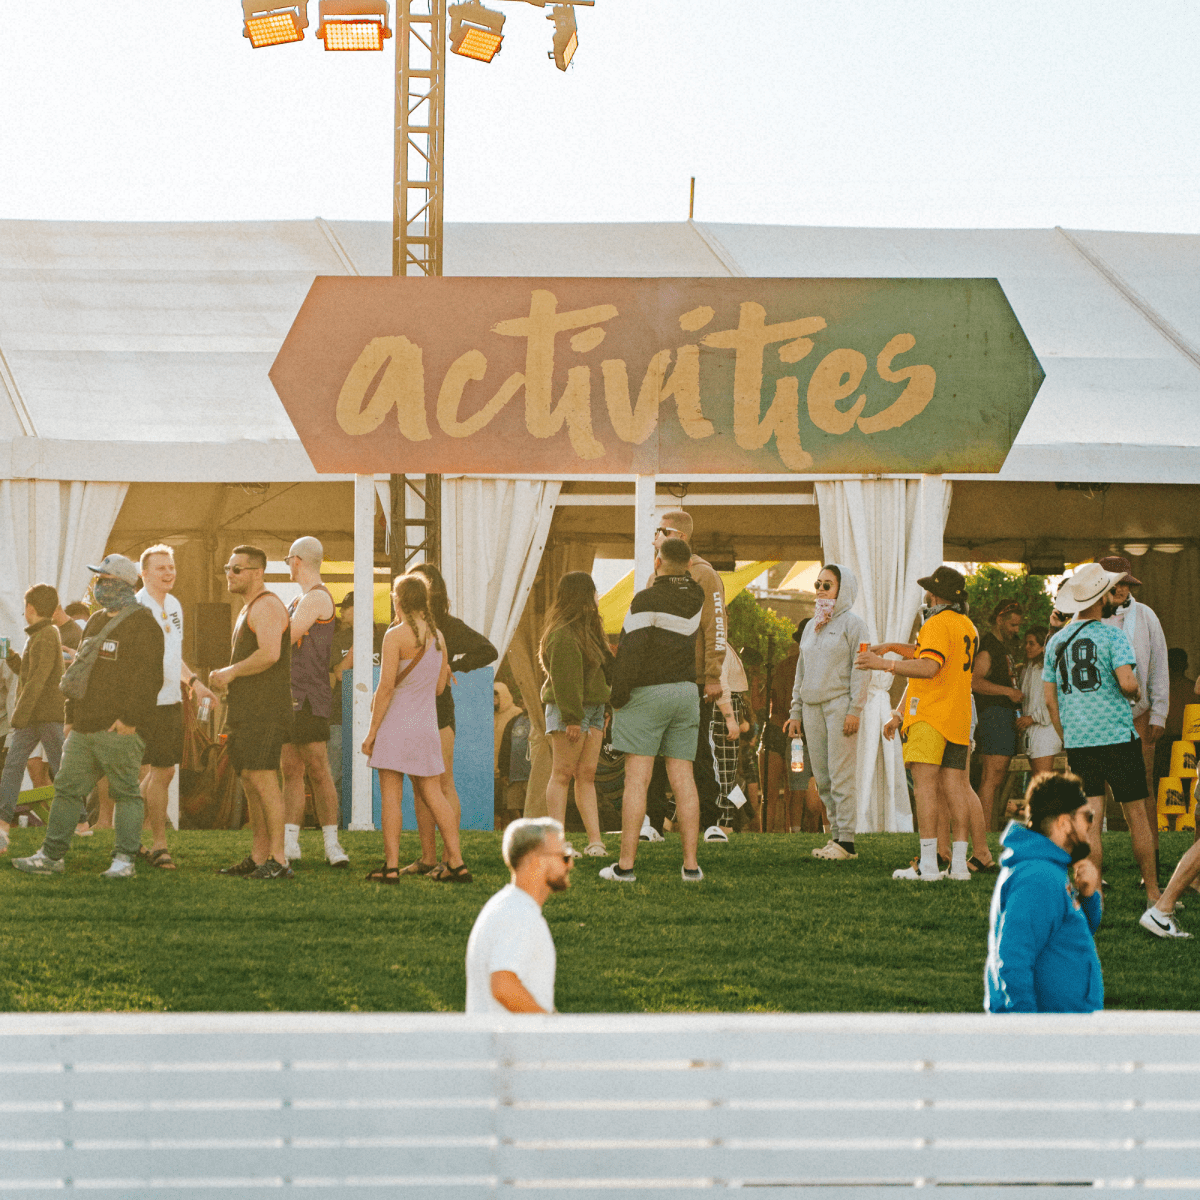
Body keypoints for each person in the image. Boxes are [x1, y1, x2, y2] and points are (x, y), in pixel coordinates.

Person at [14, 556, 163, 879]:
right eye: (98, 579)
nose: (98, 585)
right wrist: (70, 717)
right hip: (84, 727)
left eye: (105, 578)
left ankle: (124, 860)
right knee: (67, 790)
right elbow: (78, 672)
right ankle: (51, 856)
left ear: (124, 583)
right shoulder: (94, 622)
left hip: (119, 728)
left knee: (125, 793)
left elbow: (149, 679)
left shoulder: (144, 625)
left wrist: (130, 720)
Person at [1042, 562, 1160, 912]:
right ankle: (1153, 893)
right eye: (1109, 592)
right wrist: (1136, 692)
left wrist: (1068, 734)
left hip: (1081, 741)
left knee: (1091, 819)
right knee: (1136, 815)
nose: (1113, 596)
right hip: (1118, 738)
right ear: (1100, 597)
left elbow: (1050, 700)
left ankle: (1094, 897)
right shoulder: (1113, 636)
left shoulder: (1056, 641)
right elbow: (1127, 683)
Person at [858, 565, 978, 882]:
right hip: (958, 715)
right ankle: (960, 865)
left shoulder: (937, 623)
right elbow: (933, 654)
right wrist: (893, 646)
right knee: (956, 790)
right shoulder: (966, 625)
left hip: (930, 715)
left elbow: (928, 666)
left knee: (924, 790)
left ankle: (928, 864)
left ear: (935, 594)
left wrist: (883, 663)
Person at [601, 537, 705, 883]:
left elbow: (631, 651)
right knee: (683, 780)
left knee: (637, 780)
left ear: (657, 563)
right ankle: (691, 867)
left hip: (647, 695)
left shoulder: (647, 599)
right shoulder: (696, 596)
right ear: (689, 565)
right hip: (686, 692)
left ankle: (626, 867)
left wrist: (617, 696)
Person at [362, 573, 470, 883]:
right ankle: (457, 863)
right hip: (426, 725)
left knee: (391, 797)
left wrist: (371, 733)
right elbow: (439, 689)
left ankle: (391, 867)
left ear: (398, 600)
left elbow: (384, 690)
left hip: (396, 725)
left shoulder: (394, 636)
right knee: (435, 794)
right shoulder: (438, 638)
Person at [984, 772, 1103, 1013]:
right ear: (1063, 822)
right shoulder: (1038, 877)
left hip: (1059, 1032)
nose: (1092, 823)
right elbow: (1012, 960)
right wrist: (1030, 1034)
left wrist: (1088, 899)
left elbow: (1066, 938)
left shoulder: (1049, 871)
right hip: (1045, 1037)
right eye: (1087, 816)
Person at [210, 545, 294, 880]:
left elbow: (271, 654)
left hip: (265, 711)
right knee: (249, 779)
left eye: (237, 569)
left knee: (263, 779)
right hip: (246, 710)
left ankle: (279, 858)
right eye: (228, 569)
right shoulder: (248, 609)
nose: (229, 575)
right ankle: (259, 856)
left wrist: (230, 672)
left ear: (257, 572)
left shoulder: (268, 606)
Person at [409, 562, 498, 876]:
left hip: (439, 709)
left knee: (442, 782)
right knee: (420, 784)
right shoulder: (405, 625)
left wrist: (455, 666)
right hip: (413, 710)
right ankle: (428, 857)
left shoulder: (447, 624)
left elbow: (488, 650)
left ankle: (450, 858)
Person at [136, 544, 216, 871]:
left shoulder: (174, 605)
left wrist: (194, 682)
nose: (169, 573)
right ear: (144, 574)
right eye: (161, 568)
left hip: (171, 702)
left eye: (171, 567)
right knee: (153, 773)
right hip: (142, 706)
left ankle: (129, 834)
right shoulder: (134, 608)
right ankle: (158, 844)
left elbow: (174, 655)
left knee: (165, 772)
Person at [647, 510, 727, 838]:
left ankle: (710, 822)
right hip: (658, 680)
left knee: (695, 751)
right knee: (650, 751)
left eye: (660, 530)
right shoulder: (655, 576)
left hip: (693, 680)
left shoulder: (705, 575)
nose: (654, 537)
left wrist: (712, 675)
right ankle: (652, 823)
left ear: (679, 536)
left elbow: (716, 626)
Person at [784, 564, 870, 860]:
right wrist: (795, 712)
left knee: (840, 774)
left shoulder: (855, 625)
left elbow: (862, 670)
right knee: (822, 776)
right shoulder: (811, 626)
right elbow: (801, 671)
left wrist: (854, 710)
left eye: (827, 585)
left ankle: (847, 842)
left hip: (840, 707)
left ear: (842, 589)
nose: (820, 590)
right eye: (818, 584)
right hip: (811, 708)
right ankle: (835, 837)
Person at [279, 537, 348, 869]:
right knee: (290, 769)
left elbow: (285, 638)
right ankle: (290, 842)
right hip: (289, 694)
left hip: (310, 696)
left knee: (319, 768)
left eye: (287, 560)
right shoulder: (298, 599)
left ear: (296, 561)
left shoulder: (317, 598)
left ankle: (331, 843)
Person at [1099, 555, 1169, 878]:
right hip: (1098, 714)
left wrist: (1159, 712)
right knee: (1094, 788)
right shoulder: (1090, 617)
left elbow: (1158, 665)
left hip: (1138, 714)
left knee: (1144, 787)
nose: (1122, 590)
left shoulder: (1146, 616)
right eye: (1117, 584)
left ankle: (1150, 862)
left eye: (1126, 584)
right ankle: (1093, 868)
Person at [465, 816, 572, 1013]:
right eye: (564, 857)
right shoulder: (518, 914)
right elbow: (503, 986)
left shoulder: (508, 906)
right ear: (535, 861)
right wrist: (550, 1029)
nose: (570, 865)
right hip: (505, 1044)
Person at [538, 572, 612, 857]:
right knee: (562, 774)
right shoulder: (563, 635)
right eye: (593, 592)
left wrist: (601, 708)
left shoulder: (585, 631)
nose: (597, 597)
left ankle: (595, 841)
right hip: (571, 710)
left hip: (590, 709)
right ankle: (557, 844)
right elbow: (565, 680)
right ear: (583, 595)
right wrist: (572, 718)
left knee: (586, 775)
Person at [0, 584, 66, 855]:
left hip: (46, 715)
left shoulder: (48, 635)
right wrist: (11, 656)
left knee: (62, 769)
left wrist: (19, 716)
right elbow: (27, 673)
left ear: (31, 608)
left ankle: (81, 821)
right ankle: (3, 822)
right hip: (34, 717)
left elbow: (37, 681)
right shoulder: (38, 635)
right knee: (13, 766)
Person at [972, 599, 1025, 830]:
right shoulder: (988, 647)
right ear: (999, 620)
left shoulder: (1001, 646)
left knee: (996, 777)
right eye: (1012, 624)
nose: (1016, 630)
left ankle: (987, 828)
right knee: (991, 778)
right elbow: (974, 682)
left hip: (1002, 717)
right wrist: (1008, 692)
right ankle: (983, 829)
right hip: (993, 717)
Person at [1015, 624, 1062, 778]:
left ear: (1043, 646)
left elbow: (1054, 702)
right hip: (1031, 732)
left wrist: (1032, 718)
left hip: (1046, 732)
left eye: (1032, 643)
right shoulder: (1027, 669)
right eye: (1026, 643)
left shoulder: (1049, 669)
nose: (1027, 647)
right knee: (1037, 780)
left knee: (1044, 780)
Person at [327, 591, 356, 804]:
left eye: (345, 607)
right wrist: (357, 650)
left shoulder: (384, 635)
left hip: (377, 715)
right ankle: (335, 824)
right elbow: (337, 674)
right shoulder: (337, 639)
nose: (341, 611)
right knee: (335, 772)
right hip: (340, 714)